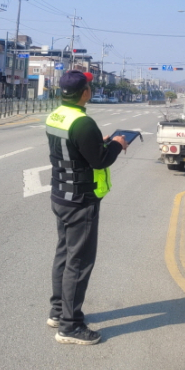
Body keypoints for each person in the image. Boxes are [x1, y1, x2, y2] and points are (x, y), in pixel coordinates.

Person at [46, 69, 128, 345]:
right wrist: (116, 144)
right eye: (89, 88)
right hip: (80, 199)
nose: (90, 91)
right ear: (85, 93)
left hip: (60, 195)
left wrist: (99, 142)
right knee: (79, 262)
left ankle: (58, 312)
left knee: (64, 254)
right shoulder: (83, 122)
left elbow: (75, 150)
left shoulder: (56, 116)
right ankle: (70, 327)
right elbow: (100, 161)